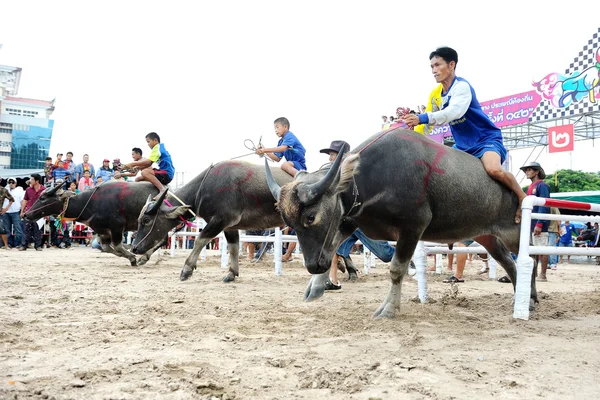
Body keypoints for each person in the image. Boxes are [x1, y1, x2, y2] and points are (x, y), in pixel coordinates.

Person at [402, 46, 526, 223]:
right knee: (441, 172)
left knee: (493, 170)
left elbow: (454, 113)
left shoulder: (462, 87)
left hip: (485, 140)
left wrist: (421, 118)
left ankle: (522, 197)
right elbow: (428, 125)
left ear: (451, 65)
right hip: (462, 146)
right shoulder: (437, 95)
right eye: (431, 67)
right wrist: (412, 130)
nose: (433, 70)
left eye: (437, 65)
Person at [319, 140, 396, 290]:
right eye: (330, 155)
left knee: (385, 254)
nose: (330, 159)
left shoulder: (357, 174)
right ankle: (332, 281)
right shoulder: (332, 174)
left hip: (360, 221)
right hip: (345, 221)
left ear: (344, 156)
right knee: (332, 247)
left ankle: (407, 257)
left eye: (333, 155)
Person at [122, 132, 175, 197]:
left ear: (155, 140)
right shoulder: (157, 149)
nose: (148, 144)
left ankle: (162, 190)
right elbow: (149, 164)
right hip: (164, 172)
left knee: (145, 172)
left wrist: (132, 164)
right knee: (138, 179)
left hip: (167, 174)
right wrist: (137, 167)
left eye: (148, 142)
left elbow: (148, 162)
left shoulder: (157, 148)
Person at [523, 162, 551, 281]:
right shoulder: (531, 187)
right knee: (533, 249)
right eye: (526, 170)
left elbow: (544, 205)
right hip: (530, 222)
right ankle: (534, 274)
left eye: (529, 170)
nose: (527, 172)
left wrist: (540, 223)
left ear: (536, 171)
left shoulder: (542, 186)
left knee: (541, 248)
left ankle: (543, 274)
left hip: (539, 222)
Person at [19, 174, 46, 251]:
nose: (30, 181)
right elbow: (25, 200)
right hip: (29, 211)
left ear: (37, 181)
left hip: (39, 212)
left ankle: (38, 246)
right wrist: (22, 211)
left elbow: (46, 202)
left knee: (37, 229)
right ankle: (24, 245)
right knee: (25, 229)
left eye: (32, 179)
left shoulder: (44, 190)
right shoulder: (28, 190)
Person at [3, 178, 24, 248]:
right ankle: (9, 243)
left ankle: (18, 244)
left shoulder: (19, 190)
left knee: (18, 229)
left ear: (15, 183)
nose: (11, 184)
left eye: (13, 182)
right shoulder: (5, 190)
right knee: (6, 229)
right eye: (10, 182)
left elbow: (22, 201)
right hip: (6, 212)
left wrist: (22, 211)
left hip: (15, 212)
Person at [0, 183, 16, 250]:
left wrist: (6, 208)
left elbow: (11, 199)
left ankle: (6, 245)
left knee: (2, 230)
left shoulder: (3, 190)